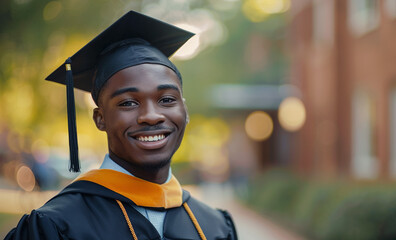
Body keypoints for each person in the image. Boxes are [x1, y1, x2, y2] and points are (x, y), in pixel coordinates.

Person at [6, 11, 237, 240]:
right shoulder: (56, 226)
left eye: (166, 100)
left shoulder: (215, 226)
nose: (151, 116)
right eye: (128, 103)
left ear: (184, 111)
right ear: (100, 118)